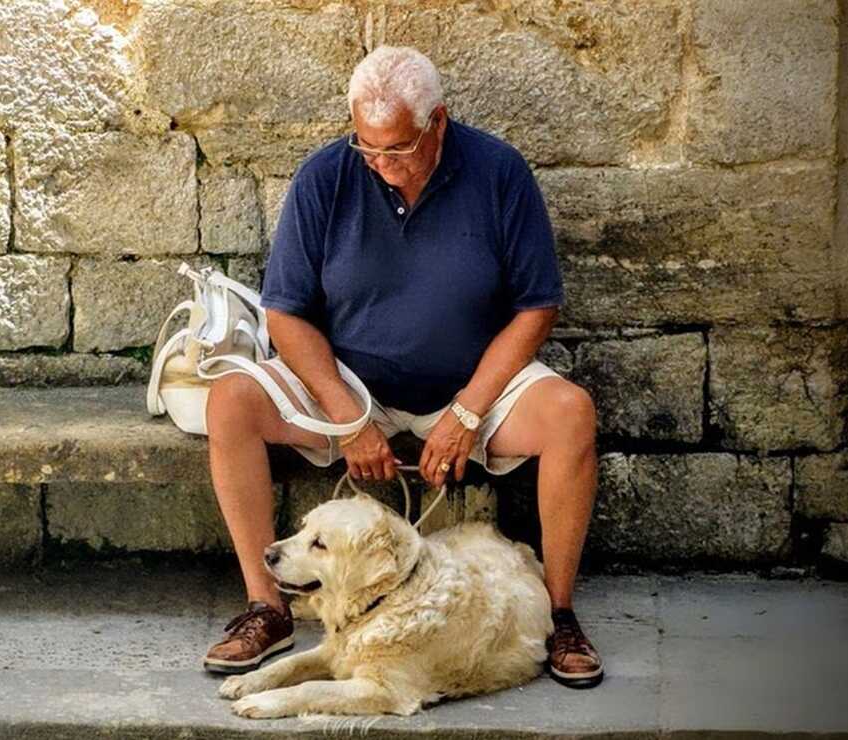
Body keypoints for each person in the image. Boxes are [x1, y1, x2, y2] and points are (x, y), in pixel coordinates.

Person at [201, 45, 604, 690]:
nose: (383, 164)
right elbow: (286, 315)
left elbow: (536, 306)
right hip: (351, 384)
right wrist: (347, 415)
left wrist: (469, 410)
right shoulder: (326, 176)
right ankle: (267, 607)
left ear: (437, 122)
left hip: (474, 385)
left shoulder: (498, 171)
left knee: (570, 414)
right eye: (369, 147)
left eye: (399, 148)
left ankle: (559, 615)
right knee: (230, 402)